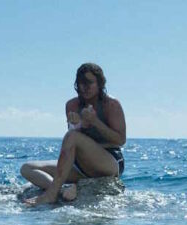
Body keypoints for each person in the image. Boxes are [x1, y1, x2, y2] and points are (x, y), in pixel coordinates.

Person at [21, 63, 126, 205]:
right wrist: (77, 125)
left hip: (108, 162)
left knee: (72, 137)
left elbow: (120, 140)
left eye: (89, 82)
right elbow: (74, 140)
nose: (84, 87)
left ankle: (51, 195)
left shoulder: (111, 105)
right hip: (81, 166)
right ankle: (60, 190)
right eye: (81, 83)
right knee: (27, 168)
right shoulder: (72, 105)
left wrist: (95, 121)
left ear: (100, 83)